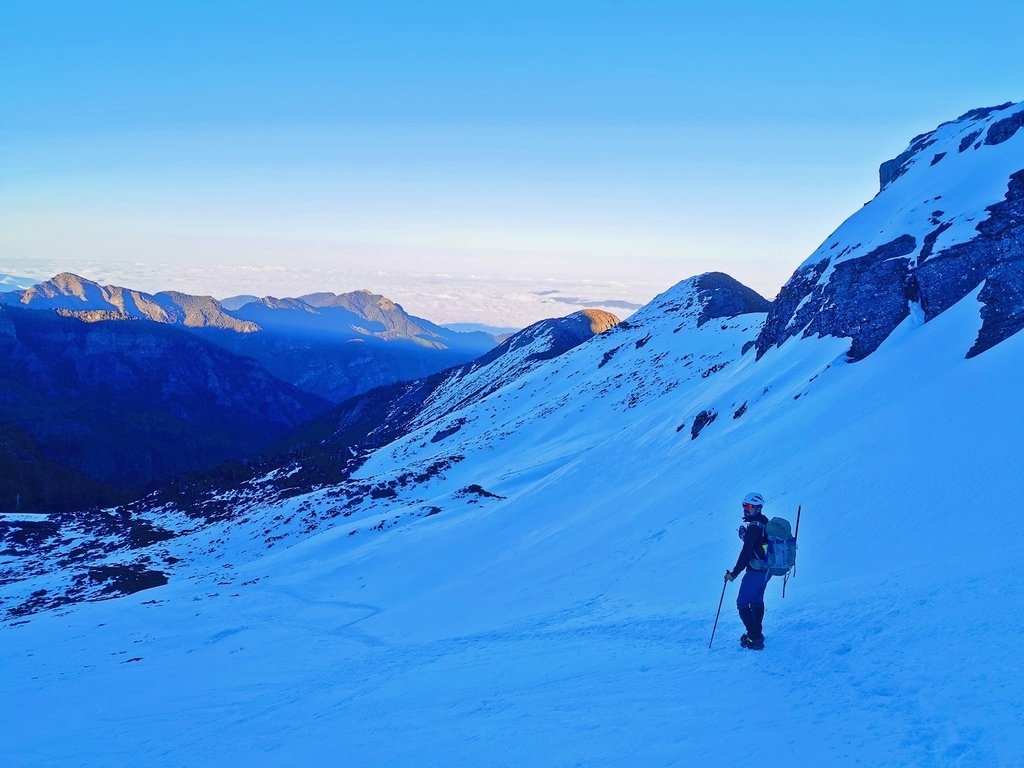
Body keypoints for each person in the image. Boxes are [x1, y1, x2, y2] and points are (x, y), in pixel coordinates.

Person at [725, 492, 771, 650]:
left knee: (742, 602)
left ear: (758, 508)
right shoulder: (764, 522)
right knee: (757, 601)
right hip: (766, 571)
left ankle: (754, 637)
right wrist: (746, 537)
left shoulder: (754, 527)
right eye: (744, 505)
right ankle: (757, 633)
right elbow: (761, 546)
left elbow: (746, 553)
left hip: (755, 571)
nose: (746, 509)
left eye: (749, 506)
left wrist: (734, 573)